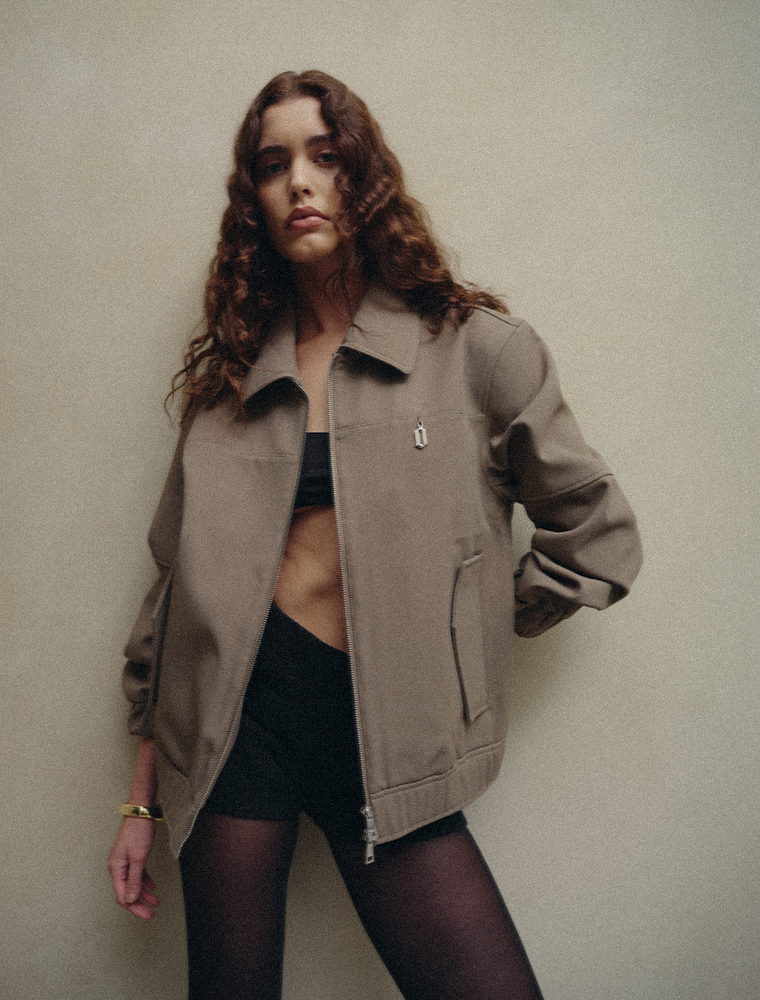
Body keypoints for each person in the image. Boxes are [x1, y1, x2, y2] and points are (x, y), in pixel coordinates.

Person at [104, 70, 641, 1000]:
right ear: (254, 199)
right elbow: (173, 594)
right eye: (273, 164)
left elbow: (596, 533)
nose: (300, 183)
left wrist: (466, 629)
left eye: (325, 156)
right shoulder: (231, 384)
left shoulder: (474, 350)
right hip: (238, 729)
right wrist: (141, 801)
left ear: (365, 178)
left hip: (387, 733)